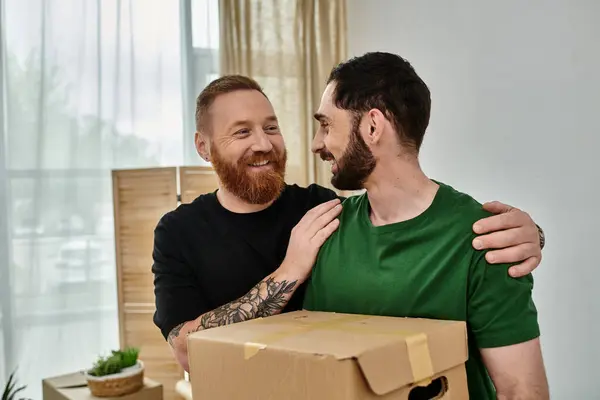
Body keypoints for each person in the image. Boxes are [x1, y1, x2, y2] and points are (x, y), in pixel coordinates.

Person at [151, 75, 546, 373]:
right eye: (242, 132)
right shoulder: (177, 232)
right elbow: (187, 350)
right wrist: (290, 271)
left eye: (271, 127)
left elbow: (404, 213)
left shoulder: (322, 209)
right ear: (204, 146)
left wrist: (527, 235)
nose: (264, 144)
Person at [302, 52, 549, 399]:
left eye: (326, 125)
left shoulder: (486, 241)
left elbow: (520, 391)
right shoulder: (321, 229)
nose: (317, 143)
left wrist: (536, 234)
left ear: (372, 126)